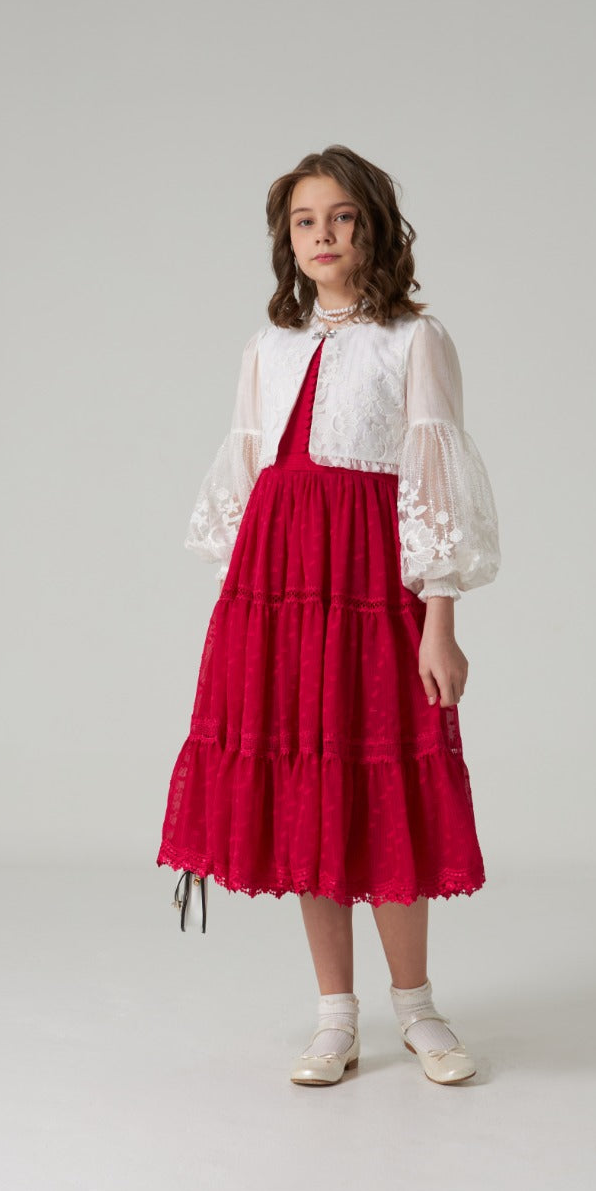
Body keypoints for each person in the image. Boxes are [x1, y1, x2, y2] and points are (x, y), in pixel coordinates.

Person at [157, 144, 501, 1087]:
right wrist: (242, 625)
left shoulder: (414, 340)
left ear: (372, 227)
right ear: (287, 238)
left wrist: (439, 620)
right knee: (308, 788)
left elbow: (433, 477)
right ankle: (334, 1017)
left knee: (382, 781)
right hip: (277, 593)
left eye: (341, 217)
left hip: (370, 586)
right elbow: (249, 476)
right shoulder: (266, 348)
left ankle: (417, 1008)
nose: (322, 235)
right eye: (304, 221)